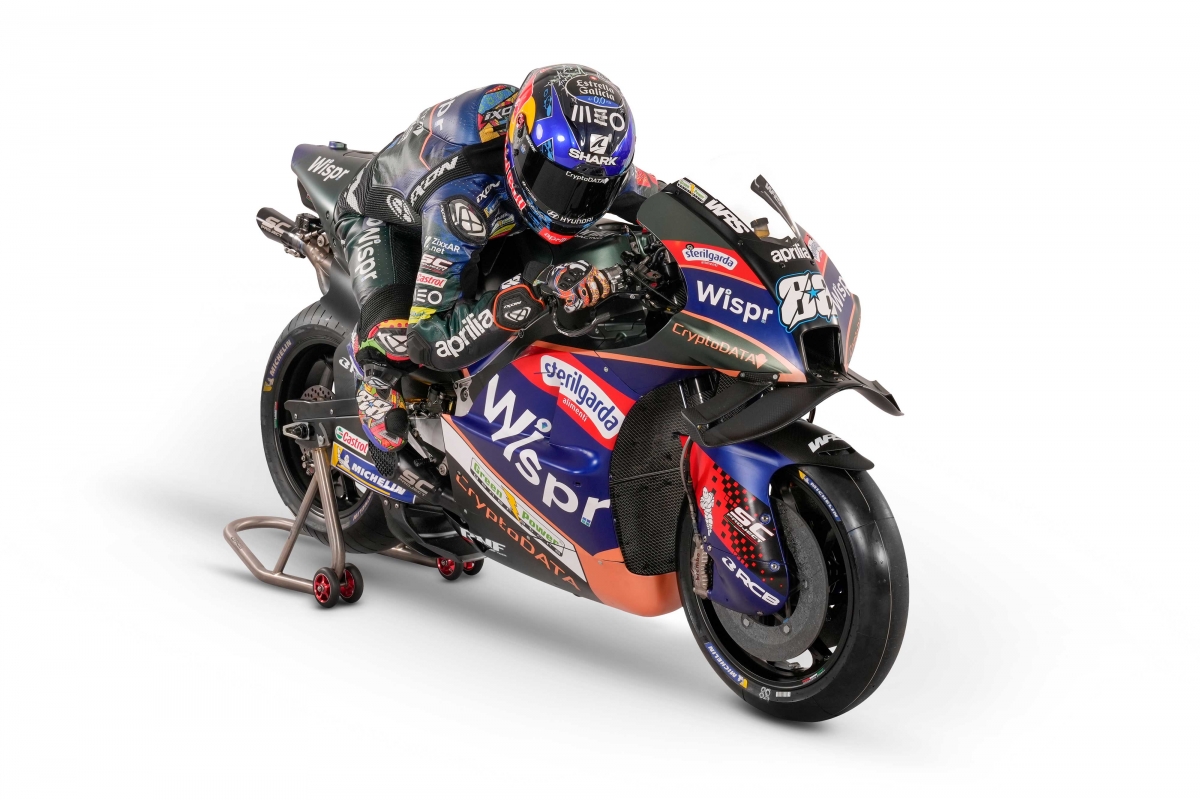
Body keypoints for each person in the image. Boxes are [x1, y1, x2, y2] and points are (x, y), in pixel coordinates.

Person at [334, 64, 660, 463]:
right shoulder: (461, 198)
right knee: (398, 341)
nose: (571, 203)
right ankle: (371, 383)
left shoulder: (588, 158)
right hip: (387, 222)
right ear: (522, 146)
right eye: (554, 181)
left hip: (497, 217)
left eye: (589, 191)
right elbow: (429, 337)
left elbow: (663, 201)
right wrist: (533, 292)